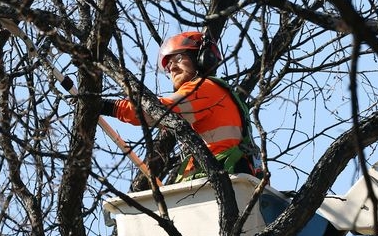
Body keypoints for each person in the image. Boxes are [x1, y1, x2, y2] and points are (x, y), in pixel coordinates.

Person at [100, 31, 267, 184]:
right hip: (230, 178)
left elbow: (157, 111)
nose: (172, 68)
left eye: (179, 58)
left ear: (202, 58)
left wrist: (107, 107)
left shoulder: (205, 88)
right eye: (168, 64)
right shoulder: (219, 92)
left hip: (225, 177)